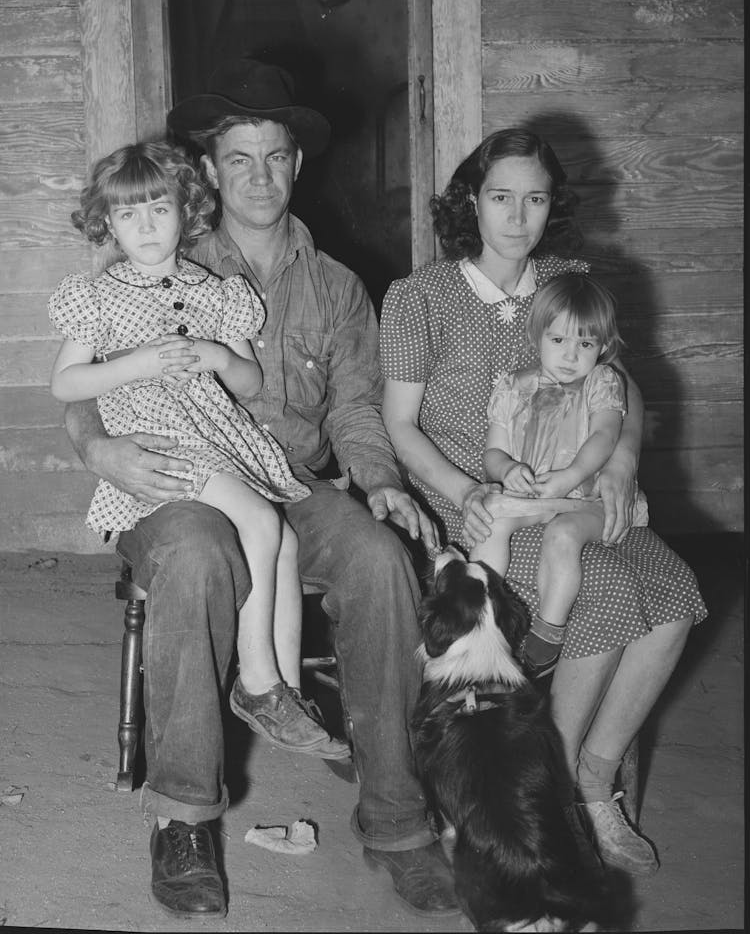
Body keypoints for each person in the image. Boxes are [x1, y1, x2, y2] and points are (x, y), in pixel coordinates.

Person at [63, 60, 457, 920]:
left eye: (275, 157)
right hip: (174, 482)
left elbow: (356, 409)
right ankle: (185, 818)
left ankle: (397, 820)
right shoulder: (162, 251)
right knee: (200, 554)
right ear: (208, 170)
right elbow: (85, 377)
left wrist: (382, 485)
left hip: (290, 482)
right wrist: (104, 454)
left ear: (298, 166)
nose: (259, 177)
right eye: (239, 159)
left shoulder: (341, 288)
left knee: (378, 559)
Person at [380, 128, 707, 877]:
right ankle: (543, 796)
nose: (518, 216)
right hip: (475, 501)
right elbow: (399, 425)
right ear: (472, 201)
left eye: (535, 198)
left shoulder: (571, 277)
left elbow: (619, 389)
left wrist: (621, 464)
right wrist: (469, 492)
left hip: (577, 487)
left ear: (552, 206)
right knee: (600, 601)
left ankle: (594, 779)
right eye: (501, 197)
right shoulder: (419, 297)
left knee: (674, 597)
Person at [48, 141, 347, 762]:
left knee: (284, 540)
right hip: (161, 434)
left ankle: (282, 690)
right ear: (108, 223)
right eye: (129, 216)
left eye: (160, 209)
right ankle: (257, 680)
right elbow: (65, 383)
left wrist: (215, 356)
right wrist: (138, 362)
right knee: (263, 521)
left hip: (219, 432)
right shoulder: (99, 297)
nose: (147, 227)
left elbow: (250, 382)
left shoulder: (212, 289)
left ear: (187, 211)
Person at [472, 272, 649, 680]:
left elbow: (605, 437)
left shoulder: (603, 383)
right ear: (537, 337)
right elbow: (492, 453)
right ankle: (485, 613)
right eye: (558, 341)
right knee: (491, 521)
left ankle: (548, 635)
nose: (570, 356)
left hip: (589, 497)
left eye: (584, 344)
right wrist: (509, 469)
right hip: (539, 494)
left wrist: (570, 476)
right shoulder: (514, 387)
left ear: (603, 347)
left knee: (563, 535)